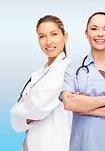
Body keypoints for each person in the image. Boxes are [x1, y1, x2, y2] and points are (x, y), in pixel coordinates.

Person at [61, 12, 105, 151]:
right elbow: (69, 103)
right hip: (82, 143)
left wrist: (83, 107)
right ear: (86, 33)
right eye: (94, 28)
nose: (100, 34)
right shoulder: (73, 68)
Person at [11, 15, 73, 151]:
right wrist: (25, 115)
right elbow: (15, 124)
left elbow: (38, 108)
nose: (48, 41)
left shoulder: (66, 69)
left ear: (65, 36)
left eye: (54, 34)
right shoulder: (38, 75)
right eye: (42, 36)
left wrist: (17, 111)